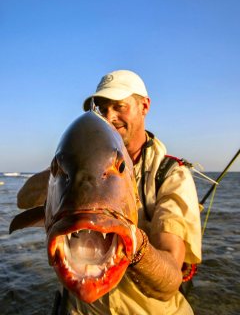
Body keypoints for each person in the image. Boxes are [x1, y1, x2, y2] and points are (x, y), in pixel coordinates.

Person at [17, 70, 202, 315]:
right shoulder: (72, 164)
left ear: (144, 106)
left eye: (119, 106)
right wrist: (61, 168)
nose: (109, 116)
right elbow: (23, 199)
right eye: (102, 109)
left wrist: (136, 245)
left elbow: (169, 282)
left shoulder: (171, 175)